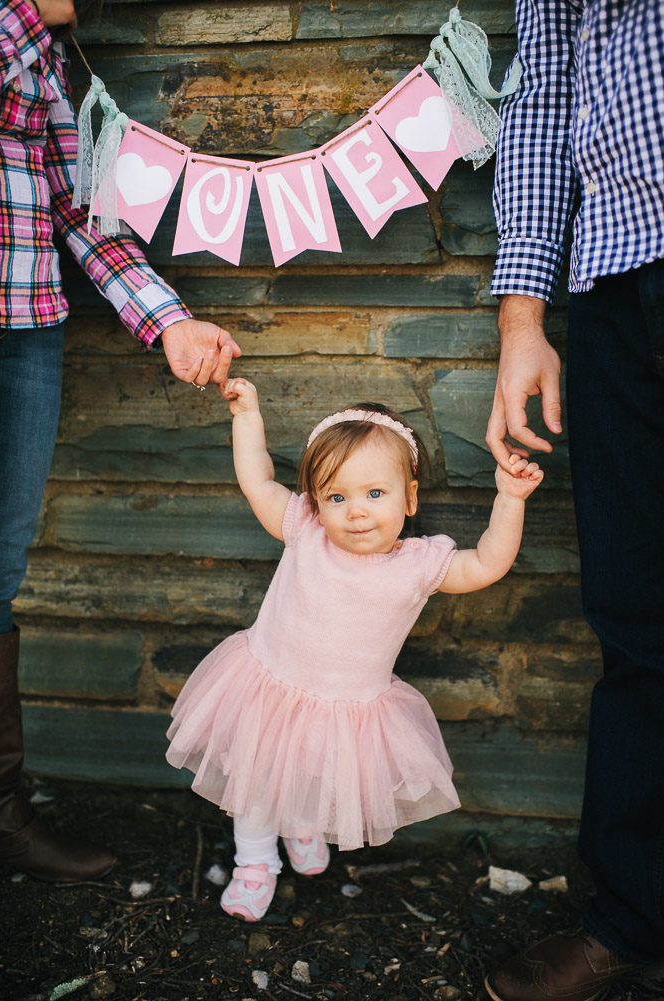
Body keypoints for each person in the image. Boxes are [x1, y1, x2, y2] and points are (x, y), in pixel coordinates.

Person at [0, 0, 241, 883]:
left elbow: (80, 209)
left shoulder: (51, 62)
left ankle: (0, 811)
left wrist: (167, 322)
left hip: (24, 325)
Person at [166, 377, 543, 922]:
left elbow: (486, 564)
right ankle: (254, 863)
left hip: (346, 707)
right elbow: (257, 481)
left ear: (410, 497)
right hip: (268, 687)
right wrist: (246, 415)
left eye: (375, 493)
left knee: (312, 775)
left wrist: (510, 499)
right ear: (317, 501)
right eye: (337, 496)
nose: (357, 511)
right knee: (256, 779)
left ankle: (301, 826)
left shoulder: (418, 565)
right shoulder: (306, 531)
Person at [483, 2, 664, 1000]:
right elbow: (545, 89)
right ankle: (634, 913)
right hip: (612, 273)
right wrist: (523, 313)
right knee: (635, 615)